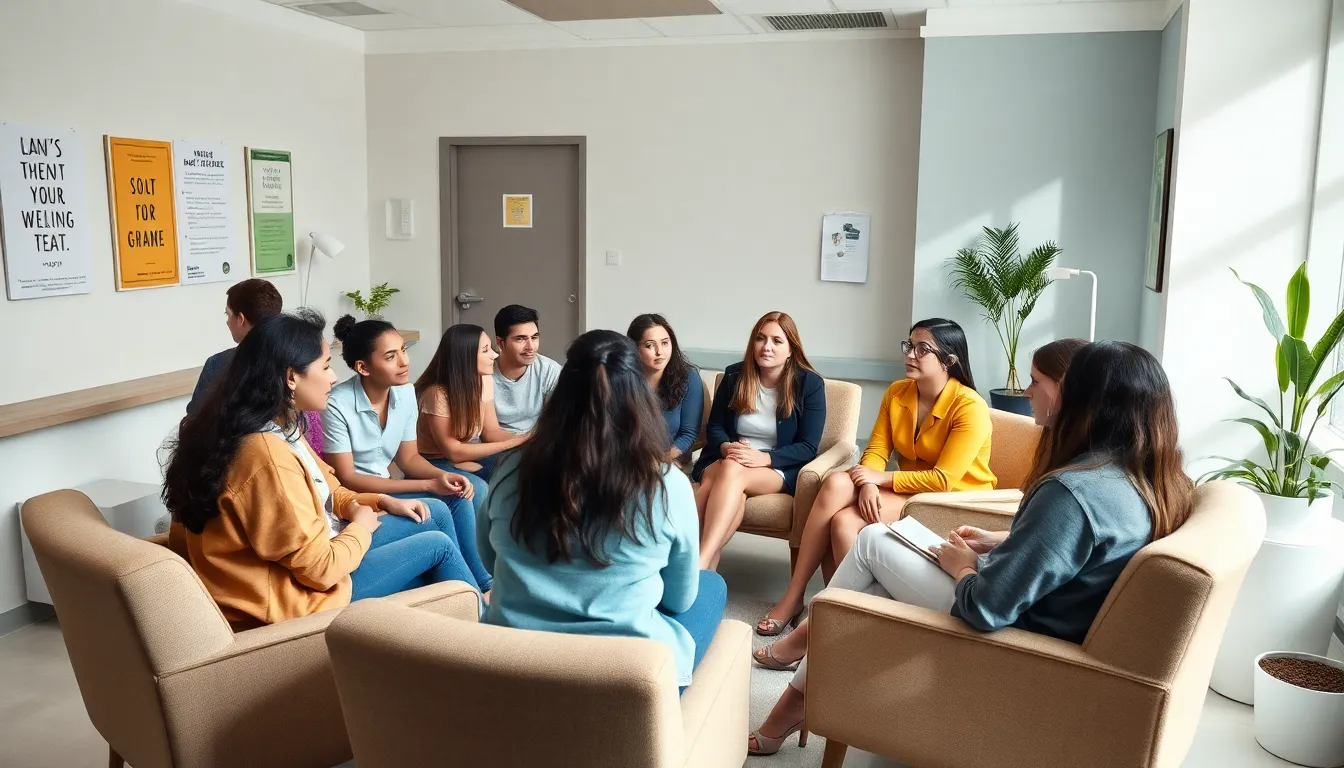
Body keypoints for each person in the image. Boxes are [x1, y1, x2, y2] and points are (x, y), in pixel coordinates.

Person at [746, 340, 1193, 756]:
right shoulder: (1147, 479)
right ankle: (797, 699)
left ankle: (798, 665)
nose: (1029, 391)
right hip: (1041, 610)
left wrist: (963, 565)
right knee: (874, 587)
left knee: (872, 540)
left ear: (1084, 399)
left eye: (1043, 383)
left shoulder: (1072, 492)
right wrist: (1007, 541)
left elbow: (987, 607)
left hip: (1017, 631)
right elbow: (1081, 549)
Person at [162, 310, 482, 628]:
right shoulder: (265, 456)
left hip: (316, 557)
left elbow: (331, 488)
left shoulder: (272, 425)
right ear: (291, 376)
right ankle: (487, 634)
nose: (333, 377)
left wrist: (380, 502)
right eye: (326, 366)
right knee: (436, 548)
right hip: (300, 598)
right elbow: (320, 570)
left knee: (436, 513)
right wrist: (360, 526)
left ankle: (478, 607)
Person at [479, 330, 727, 690]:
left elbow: (489, 559)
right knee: (711, 586)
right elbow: (679, 598)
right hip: (623, 671)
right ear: (639, 399)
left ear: (561, 395)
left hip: (515, 657)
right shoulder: (666, 483)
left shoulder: (511, 468)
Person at [756, 318, 993, 635]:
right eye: (909, 345)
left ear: (949, 360)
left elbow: (943, 480)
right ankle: (819, 604)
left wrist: (878, 481)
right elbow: (877, 450)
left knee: (844, 513)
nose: (910, 354)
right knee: (838, 492)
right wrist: (867, 480)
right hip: (910, 492)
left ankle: (832, 614)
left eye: (922, 349)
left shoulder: (969, 406)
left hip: (950, 501)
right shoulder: (898, 392)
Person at [323, 315, 493, 594]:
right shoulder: (337, 404)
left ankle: (480, 584)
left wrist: (444, 475)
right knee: (441, 506)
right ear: (362, 367)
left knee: (459, 493)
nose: (404, 362)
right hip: (358, 499)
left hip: (389, 486)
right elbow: (348, 478)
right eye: (391, 356)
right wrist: (427, 484)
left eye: (404, 350)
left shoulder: (405, 393)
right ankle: (474, 589)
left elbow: (409, 459)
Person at [693, 311, 826, 571]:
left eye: (777, 341)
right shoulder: (734, 376)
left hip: (775, 467)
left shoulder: (809, 384)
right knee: (730, 482)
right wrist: (725, 447)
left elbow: (808, 446)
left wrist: (764, 458)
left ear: (791, 349)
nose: (766, 347)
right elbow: (717, 426)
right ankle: (705, 568)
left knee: (721, 479)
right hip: (728, 457)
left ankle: (694, 560)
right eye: (761, 338)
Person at [416, 324, 530, 498]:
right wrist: (512, 443)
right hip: (434, 460)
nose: (495, 354)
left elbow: (491, 432)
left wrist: (528, 440)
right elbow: (453, 452)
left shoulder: (484, 379)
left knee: (528, 461)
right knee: (479, 488)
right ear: (465, 357)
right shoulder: (436, 394)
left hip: (467, 453)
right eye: (485, 350)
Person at [187, 278, 282, 417]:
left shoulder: (218, 364)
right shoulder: (297, 360)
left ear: (240, 319)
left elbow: (196, 414)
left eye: (228, 314)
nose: (227, 322)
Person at [626, 313, 704, 465]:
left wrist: (660, 460)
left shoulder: (688, 377)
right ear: (634, 348)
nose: (659, 352)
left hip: (671, 459)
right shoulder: (624, 378)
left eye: (664, 343)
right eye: (649, 345)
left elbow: (688, 434)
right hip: (630, 461)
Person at [492, 304, 561, 433]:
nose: (530, 347)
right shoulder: (484, 371)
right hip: (494, 446)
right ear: (500, 342)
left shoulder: (549, 370)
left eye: (534, 337)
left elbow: (557, 421)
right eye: (520, 339)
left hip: (535, 445)